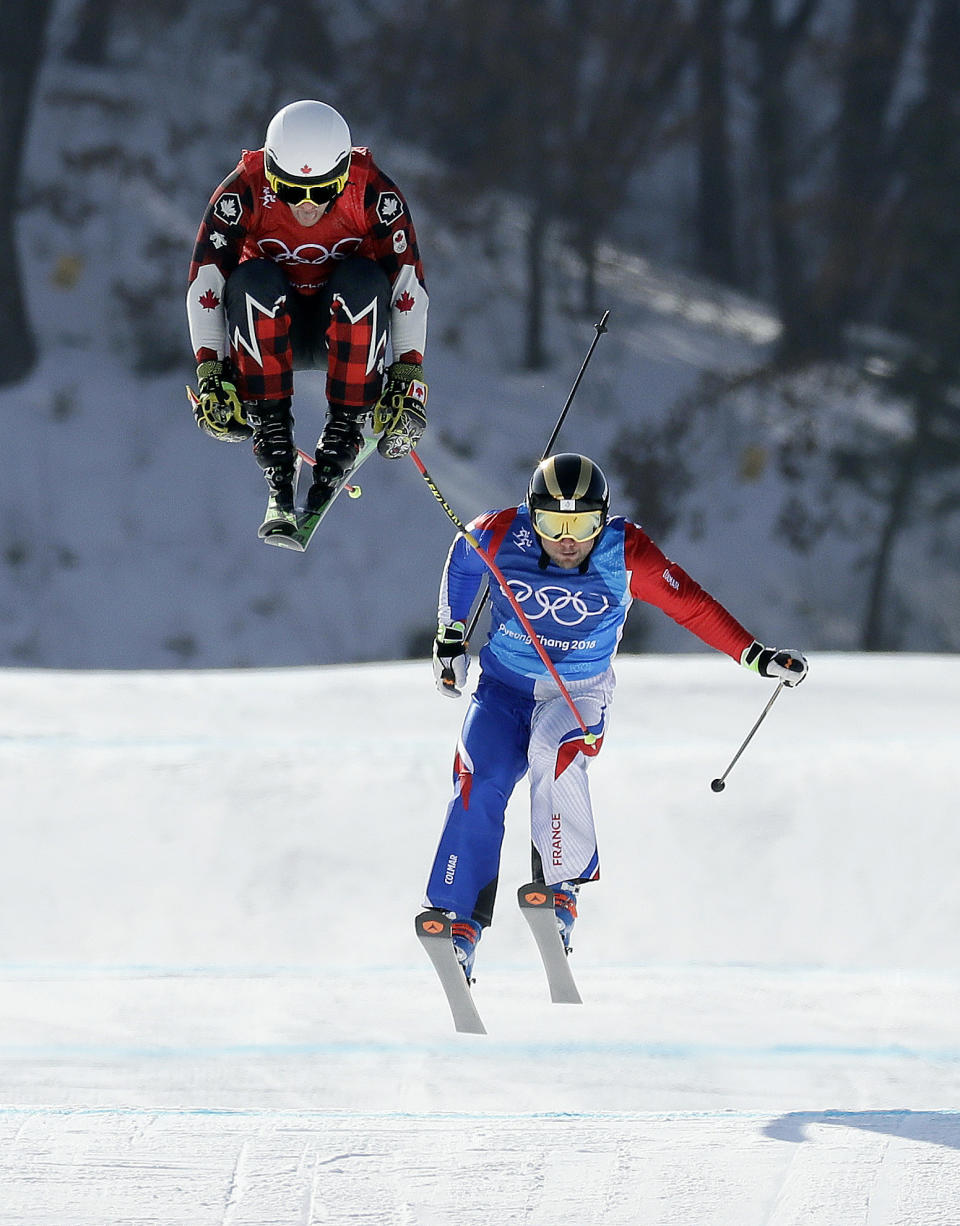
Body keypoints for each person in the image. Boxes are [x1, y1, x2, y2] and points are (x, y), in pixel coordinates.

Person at [422, 452, 808, 982]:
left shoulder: (626, 553)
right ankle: (459, 923)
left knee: (553, 754)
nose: (566, 539)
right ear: (531, 514)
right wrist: (450, 633)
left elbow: (690, 605)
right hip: (502, 690)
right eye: (553, 524)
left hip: (574, 696)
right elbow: (462, 559)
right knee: (477, 780)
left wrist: (757, 656)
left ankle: (561, 890)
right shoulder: (499, 533)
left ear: (601, 518)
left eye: (580, 524)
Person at [186, 99, 429, 526]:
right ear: (270, 171)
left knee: (364, 280)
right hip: (271, 330)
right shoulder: (242, 191)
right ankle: (273, 436)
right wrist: (210, 373)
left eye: (323, 191)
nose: (307, 205)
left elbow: (407, 285)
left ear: (344, 174)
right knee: (251, 279)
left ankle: (344, 430)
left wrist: (408, 377)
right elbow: (206, 282)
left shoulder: (373, 193)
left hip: (346, 332)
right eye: (291, 190)